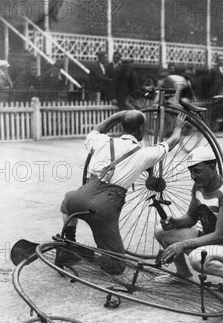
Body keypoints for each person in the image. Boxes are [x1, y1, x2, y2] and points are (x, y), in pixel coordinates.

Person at [57, 110, 187, 273]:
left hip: (76, 199)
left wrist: (118, 116)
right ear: (140, 129)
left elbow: (95, 130)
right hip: (102, 210)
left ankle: (69, 241)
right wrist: (178, 127)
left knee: (67, 203)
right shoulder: (144, 154)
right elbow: (172, 142)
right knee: (116, 266)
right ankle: (79, 252)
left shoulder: (103, 141)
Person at [155, 146, 223, 282]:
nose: (193, 176)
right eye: (191, 172)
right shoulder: (198, 187)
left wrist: (183, 244)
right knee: (161, 231)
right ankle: (183, 274)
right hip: (212, 241)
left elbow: (219, 235)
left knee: (197, 258)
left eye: (197, 171)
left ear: (212, 167)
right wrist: (174, 222)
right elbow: (191, 218)